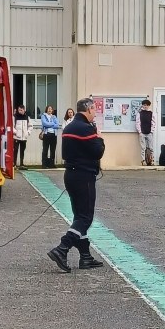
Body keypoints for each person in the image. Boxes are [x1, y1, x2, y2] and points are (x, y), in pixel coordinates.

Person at [48, 97, 105, 272]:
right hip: (83, 175)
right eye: (94, 110)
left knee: (79, 216)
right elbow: (98, 151)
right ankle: (62, 248)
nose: (95, 113)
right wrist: (100, 137)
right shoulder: (86, 129)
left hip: (71, 175)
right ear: (88, 109)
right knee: (85, 217)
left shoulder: (69, 127)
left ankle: (85, 257)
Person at [136, 98, 155, 167]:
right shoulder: (140, 113)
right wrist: (140, 131)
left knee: (151, 148)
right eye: (144, 105)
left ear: (149, 105)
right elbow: (137, 123)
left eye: (146, 105)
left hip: (149, 132)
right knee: (143, 148)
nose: (145, 106)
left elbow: (153, 123)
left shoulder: (151, 113)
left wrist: (151, 131)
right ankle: (143, 161)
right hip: (142, 132)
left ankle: (152, 160)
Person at [13, 103, 30, 169]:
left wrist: (27, 132)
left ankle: (21, 164)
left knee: (22, 150)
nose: (20, 111)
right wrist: (16, 132)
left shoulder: (27, 117)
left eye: (21, 110)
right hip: (16, 137)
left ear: (24, 110)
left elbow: (30, 126)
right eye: (19, 110)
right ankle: (14, 164)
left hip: (24, 137)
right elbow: (12, 126)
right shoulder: (15, 117)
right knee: (15, 150)